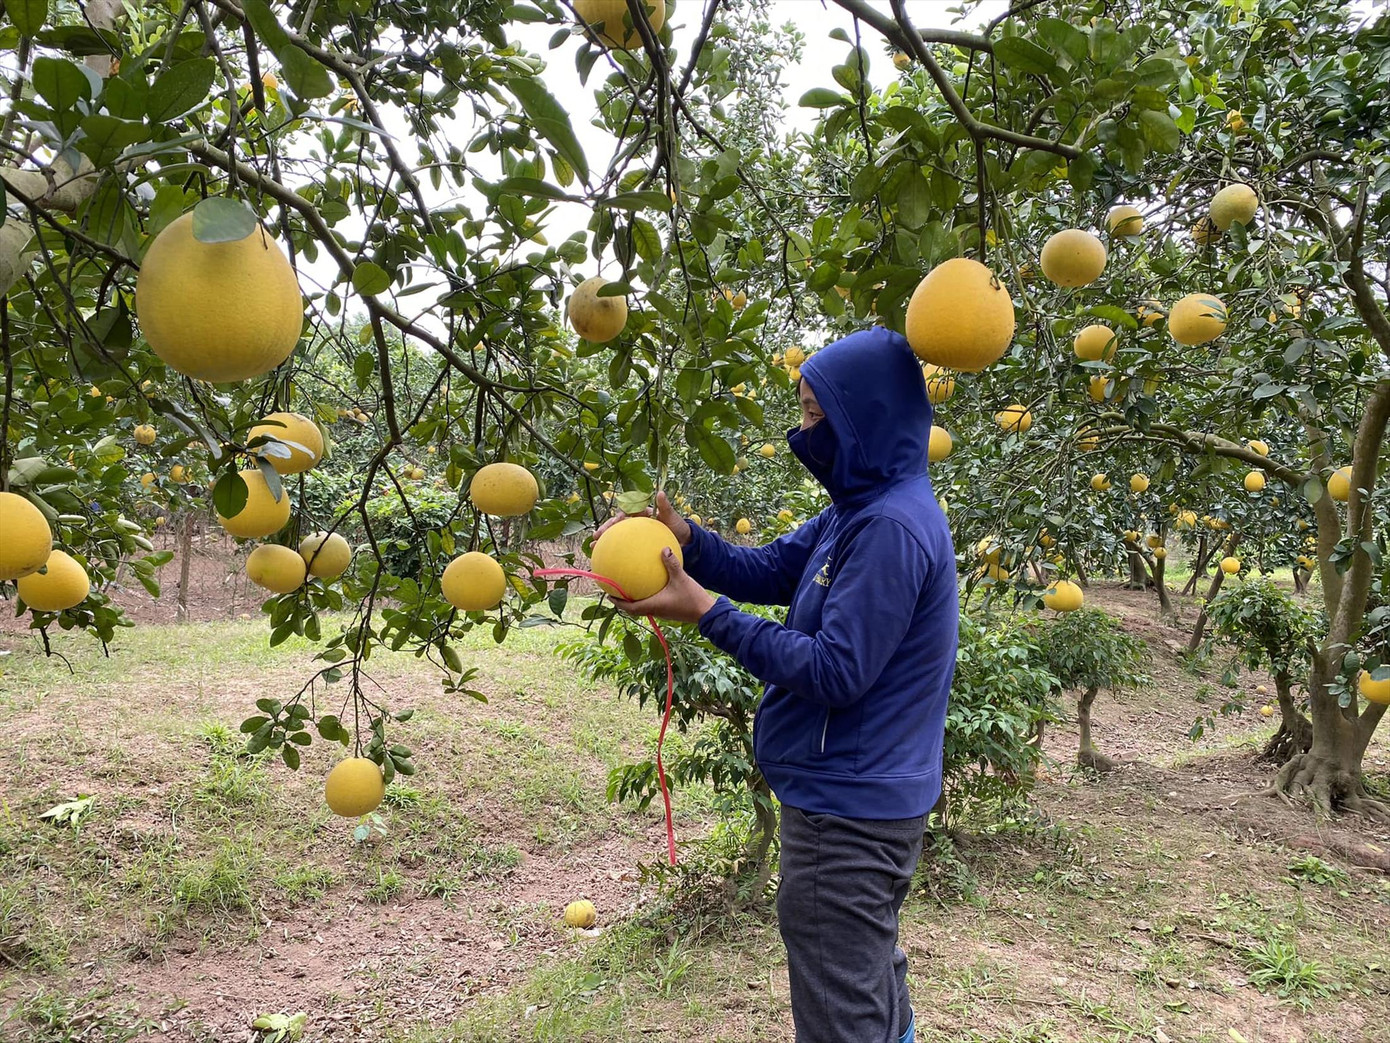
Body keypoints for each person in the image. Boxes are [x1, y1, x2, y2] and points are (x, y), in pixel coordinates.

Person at [595, 325, 958, 1043]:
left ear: (868, 415)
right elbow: (766, 569)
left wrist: (704, 612)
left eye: (818, 414)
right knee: (866, 977)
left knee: (841, 1012)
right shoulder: (859, 507)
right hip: (858, 792)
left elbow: (835, 670)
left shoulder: (890, 526)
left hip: (847, 810)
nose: (804, 430)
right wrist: (690, 542)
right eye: (803, 411)